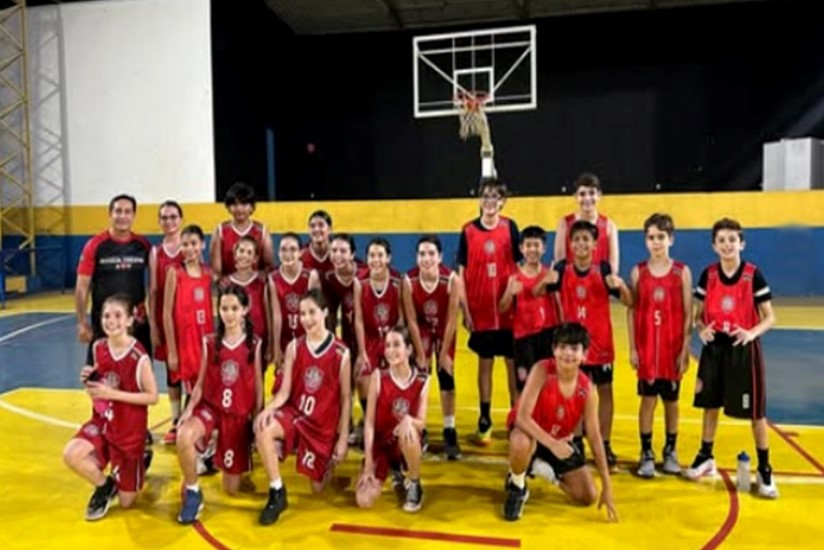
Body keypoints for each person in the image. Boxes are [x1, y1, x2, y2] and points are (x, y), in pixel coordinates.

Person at [683, 218, 778, 499]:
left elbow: (770, 317)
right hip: (715, 348)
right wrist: (701, 328)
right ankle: (705, 456)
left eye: (732, 240)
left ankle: (764, 469)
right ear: (714, 245)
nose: (727, 245)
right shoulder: (708, 275)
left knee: (756, 413)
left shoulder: (753, 275)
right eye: (721, 240)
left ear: (742, 243)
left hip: (742, 348)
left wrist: (751, 333)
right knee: (709, 404)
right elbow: (697, 315)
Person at [537, 220, 631, 467]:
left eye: (586, 239)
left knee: (605, 390)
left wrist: (622, 286)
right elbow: (538, 293)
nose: (581, 244)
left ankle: (605, 443)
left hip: (600, 344)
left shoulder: (603, 269)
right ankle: (576, 441)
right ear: (570, 244)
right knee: (573, 393)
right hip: (572, 348)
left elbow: (629, 302)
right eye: (576, 239)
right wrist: (545, 280)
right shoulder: (562, 268)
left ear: (595, 244)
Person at [503, 322, 618, 523]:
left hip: (557, 439)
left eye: (574, 348)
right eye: (562, 347)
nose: (567, 353)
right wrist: (552, 444)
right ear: (554, 350)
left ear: (584, 355)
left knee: (588, 495)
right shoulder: (541, 370)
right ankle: (517, 486)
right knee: (520, 442)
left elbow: (594, 436)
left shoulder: (586, 389)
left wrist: (607, 486)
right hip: (532, 432)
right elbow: (522, 417)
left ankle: (542, 470)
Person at [254, 289, 351, 525]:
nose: (306, 319)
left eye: (312, 312)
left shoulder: (341, 353)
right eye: (302, 314)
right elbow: (285, 392)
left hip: (321, 426)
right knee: (263, 428)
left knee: (318, 489)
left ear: (325, 313)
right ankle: (277, 491)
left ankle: (322, 460)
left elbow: (346, 398)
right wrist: (268, 409)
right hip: (296, 416)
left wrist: (343, 438)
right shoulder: (294, 347)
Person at [62, 294, 159, 521]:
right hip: (103, 423)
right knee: (71, 454)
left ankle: (141, 458)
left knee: (127, 502)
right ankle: (104, 486)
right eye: (106, 316)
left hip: (128, 432)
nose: (111, 321)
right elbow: (102, 381)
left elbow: (153, 397)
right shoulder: (99, 347)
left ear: (129, 320)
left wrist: (112, 394)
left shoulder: (139, 357)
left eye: (117, 315)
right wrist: (90, 377)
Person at [176, 285, 263, 524]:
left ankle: (210, 454)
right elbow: (200, 384)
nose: (229, 314)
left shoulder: (254, 344)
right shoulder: (210, 342)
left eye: (234, 308)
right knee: (183, 435)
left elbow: (257, 387)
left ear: (245, 309)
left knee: (231, 489)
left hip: (237, 417)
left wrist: (256, 421)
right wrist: (188, 411)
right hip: (211, 410)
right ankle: (194, 491)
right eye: (224, 308)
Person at [456, 177, 521, 445]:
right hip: (480, 310)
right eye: (486, 196)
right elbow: (461, 273)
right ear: (479, 200)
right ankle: (485, 417)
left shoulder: (510, 227)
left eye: (495, 197)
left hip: (508, 311)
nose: (490, 201)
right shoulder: (468, 231)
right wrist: (465, 308)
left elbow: (519, 266)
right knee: (485, 364)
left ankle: (516, 416)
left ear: (502, 201)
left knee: (512, 364)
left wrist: (509, 294)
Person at [627, 213, 692, 477]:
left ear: (670, 239)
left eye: (661, 237)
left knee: (671, 402)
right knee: (647, 400)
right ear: (646, 241)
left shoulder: (681, 272)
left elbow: (688, 314)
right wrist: (633, 348)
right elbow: (631, 311)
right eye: (651, 237)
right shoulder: (638, 272)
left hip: (671, 349)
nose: (656, 242)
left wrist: (685, 350)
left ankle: (670, 450)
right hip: (647, 350)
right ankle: (646, 452)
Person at [355, 326, 429, 513]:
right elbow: (369, 423)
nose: (390, 350)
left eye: (396, 345)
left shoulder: (422, 380)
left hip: (404, 443)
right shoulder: (378, 377)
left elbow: (422, 423)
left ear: (409, 349)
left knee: (409, 429)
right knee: (364, 499)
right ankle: (392, 471)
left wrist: (408, 421)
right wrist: (369, 464)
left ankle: (414, 483)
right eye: (387, 345)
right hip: (381, 445)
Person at [403, 235, 462, 460]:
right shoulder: (409, 280)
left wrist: (444, 353)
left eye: (431, 254)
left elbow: (451, 320)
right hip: (422, 330)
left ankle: (449, 428)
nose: (426, 258)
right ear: (416, 257)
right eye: (422, 254)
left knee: (446, 376)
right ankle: (421, 427)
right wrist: (420, 352)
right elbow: (411, 319)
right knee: (420, 377)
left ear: (440, 257)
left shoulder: (452, 280)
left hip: (444, 329)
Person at [75, 194, 152, 364]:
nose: (122, 216)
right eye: (118, 211)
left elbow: (157, 283)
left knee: (140, 373)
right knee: (100, 376)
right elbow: (81, 287)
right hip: (105, 325)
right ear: (110, 214)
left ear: (133, 215)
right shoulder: (95, 245)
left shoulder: (143, 246)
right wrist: (81, 322)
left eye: (127, 212)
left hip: (137, 325)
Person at [499, 225, 560, 395]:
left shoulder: (550, 275)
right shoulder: (514, 277)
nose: (532, 249)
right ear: (521, 248)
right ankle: (523, 412)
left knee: (549, 382)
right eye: (528, 245)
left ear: (544, 248)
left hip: (547, 335)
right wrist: (509, 293)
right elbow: (502, 308)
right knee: (524, 385)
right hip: (523, 338)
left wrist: (561, 331)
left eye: (536, 245)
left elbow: (559, 305)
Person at [354, 238, 402, 429]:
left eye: (380, 255)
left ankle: (394, 419)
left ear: (388, 257)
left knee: (395, 378)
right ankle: (369, 419)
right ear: (366, 258)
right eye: (372, 255)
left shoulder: (398, 281)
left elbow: (402, 318)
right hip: (371, 339)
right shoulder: (360, 282)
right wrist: (362, 352)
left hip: (391, 339)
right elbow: (358, 319)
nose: (376, 259)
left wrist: (397, 346)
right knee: (362, 375)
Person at [148, 200, 184, 445]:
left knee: (192, 369)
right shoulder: (155, 253)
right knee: (172, 371)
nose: (169, 221)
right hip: (165, 317)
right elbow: (152, 291)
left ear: (180, 219)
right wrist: (153, 324)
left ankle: (191, 418)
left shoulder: (189, 246)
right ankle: (175, 419)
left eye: (173, 217)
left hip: (187, 317)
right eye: (164, 217)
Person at [164, 225, 214, 394]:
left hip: (205, 338)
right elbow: (166, 313)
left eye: (194, 243)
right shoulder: (175, 272)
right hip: (186, 341)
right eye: (185, 244)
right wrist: (172, 351)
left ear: (202, 244)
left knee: (206, 386)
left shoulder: (208, 273)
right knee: (192, 390)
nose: (190, 248)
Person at [269, 232, 321, 374]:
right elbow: (276, 316)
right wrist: (276, 348)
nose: (288, 254)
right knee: (284, 378)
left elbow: (316, 313)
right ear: (278, 253)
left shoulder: (310, 276)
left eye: (292, 249)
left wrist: (315, 341)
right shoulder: (273, 278)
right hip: (285, 338)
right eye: (283, 250)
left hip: (306, 336)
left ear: (300, 253)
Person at [218, 236, 270, 369]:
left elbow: (269, 313)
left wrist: (270, 341)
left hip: (259, 336)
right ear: (235, 254)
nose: (244, 255)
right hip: (234, 338)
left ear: (255, 258)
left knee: (258, 374)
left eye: (249, 252)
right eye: (241, 251)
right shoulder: (225, 283)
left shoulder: (262, 281)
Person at [553, 173, 619, 274]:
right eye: (582, 194)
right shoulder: (564, 224)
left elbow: (613, 268)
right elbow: (560, 264)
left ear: (599, 195)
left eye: (592, 193)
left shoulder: (609, 226)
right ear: (575, 196)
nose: (587, 198)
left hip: (600, 282)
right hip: (571, 282)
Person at [210, 181, 275, 278]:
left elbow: (269, 268)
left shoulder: (262, 231)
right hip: (228, 285)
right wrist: (232, 282)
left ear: (251, 207)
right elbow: (216, 272)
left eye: (244, 204)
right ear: (228, 207)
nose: (239, 209)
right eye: (235, 204)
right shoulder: (220, 231)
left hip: (256, 285)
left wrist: (250, 281)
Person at [301, 210, 335, 276]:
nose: (316, 229)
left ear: (330, 229)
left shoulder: (339, 253)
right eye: (312, 226)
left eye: (321, 225)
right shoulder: (300, 255)